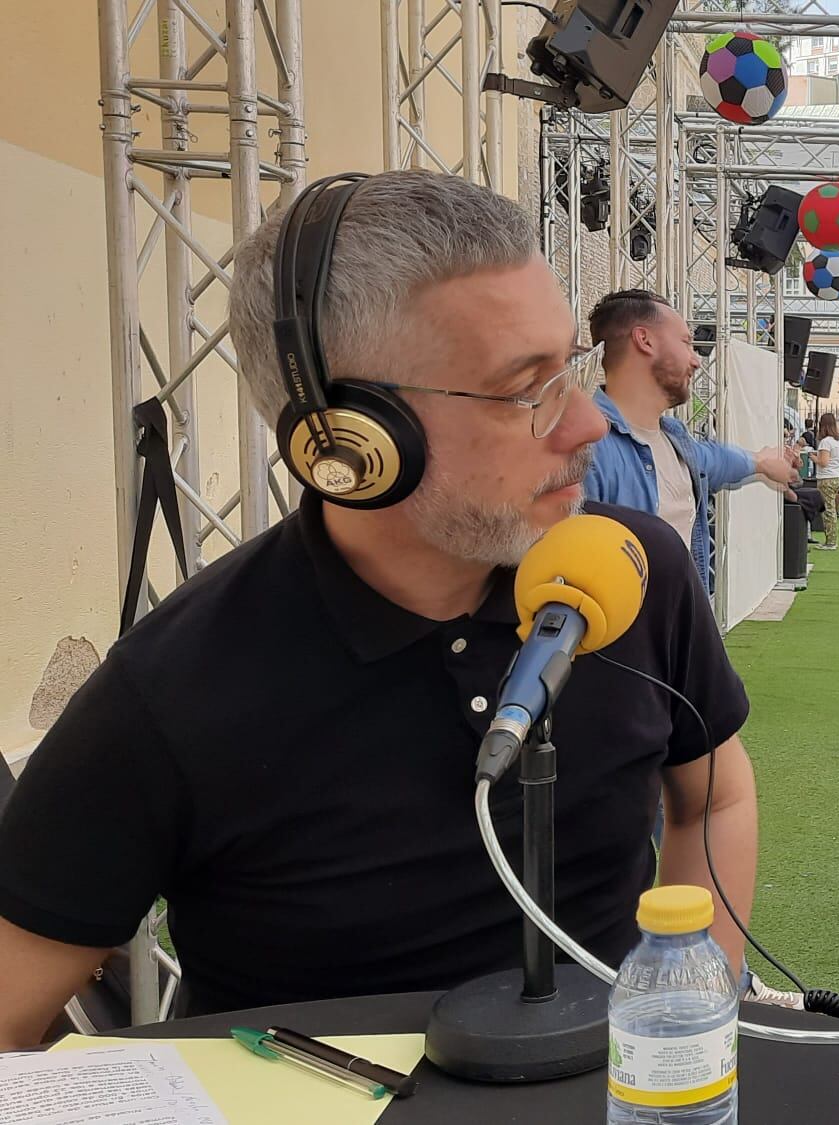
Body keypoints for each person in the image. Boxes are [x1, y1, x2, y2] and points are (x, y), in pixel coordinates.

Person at [0, 170, 772, 1047]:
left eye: (573, 369)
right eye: (528, 390)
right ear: (353, 442)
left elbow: (713, 798)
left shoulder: (636, 571)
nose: (587, 425)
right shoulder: (170, 690)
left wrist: (699, 1009)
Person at [583, 289, 797, 594]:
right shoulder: (586, 449)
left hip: (680, 631)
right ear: (644, 340)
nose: (696, 360)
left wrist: (761, 461)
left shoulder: (675, 440)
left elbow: (716, 460)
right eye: (686, 342)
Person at [812, 413, 839, 550]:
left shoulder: (825, 442)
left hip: (826, 477)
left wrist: (813, 457)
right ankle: (831, 539)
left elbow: (823, 462)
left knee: (828, 510)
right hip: (837, 476)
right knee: (832, 508)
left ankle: (831, 541)